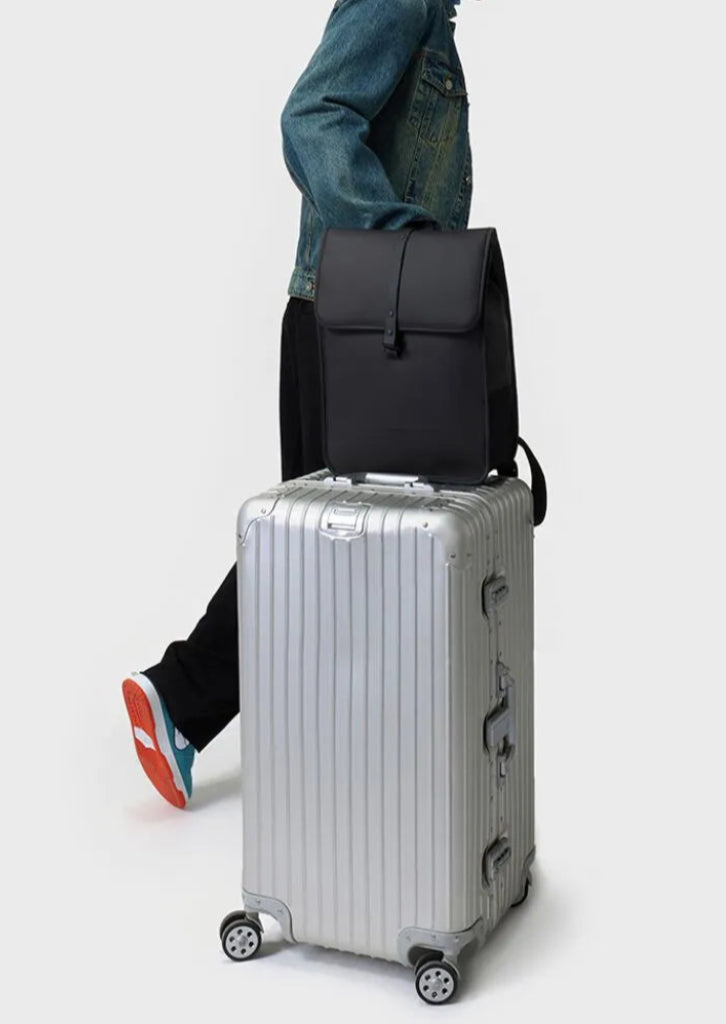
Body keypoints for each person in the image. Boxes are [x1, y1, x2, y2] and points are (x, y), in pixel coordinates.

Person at [122, 0, 475, 808]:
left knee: (342, 548)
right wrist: (400, 240)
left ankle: (285, 737)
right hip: (357, 323)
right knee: (337, 545)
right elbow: (311, 116)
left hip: (362, 320)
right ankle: (180, 696)